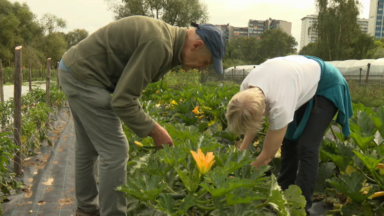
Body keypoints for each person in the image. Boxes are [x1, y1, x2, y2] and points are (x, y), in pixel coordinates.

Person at [58, 16, 226, 216]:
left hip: (73, 70)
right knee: (116, 151)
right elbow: (123, 101)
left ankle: (86, 210)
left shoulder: (167, 41)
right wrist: (155, 131)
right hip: (84, 78)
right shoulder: (160, 45)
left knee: (87, 148)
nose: (201, 68)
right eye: (204, 63)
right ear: (197, 45)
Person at [225, 55, 353, 214]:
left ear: (264, 111)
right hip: (296, 80)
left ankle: (301, 207)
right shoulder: (246, 91)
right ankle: (284, 192)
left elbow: (267, 155)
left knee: (307, 147)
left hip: (326, 85)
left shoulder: (280, 105)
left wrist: (239, 179)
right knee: (289, 142)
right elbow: (253, 122)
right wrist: (241, 154)